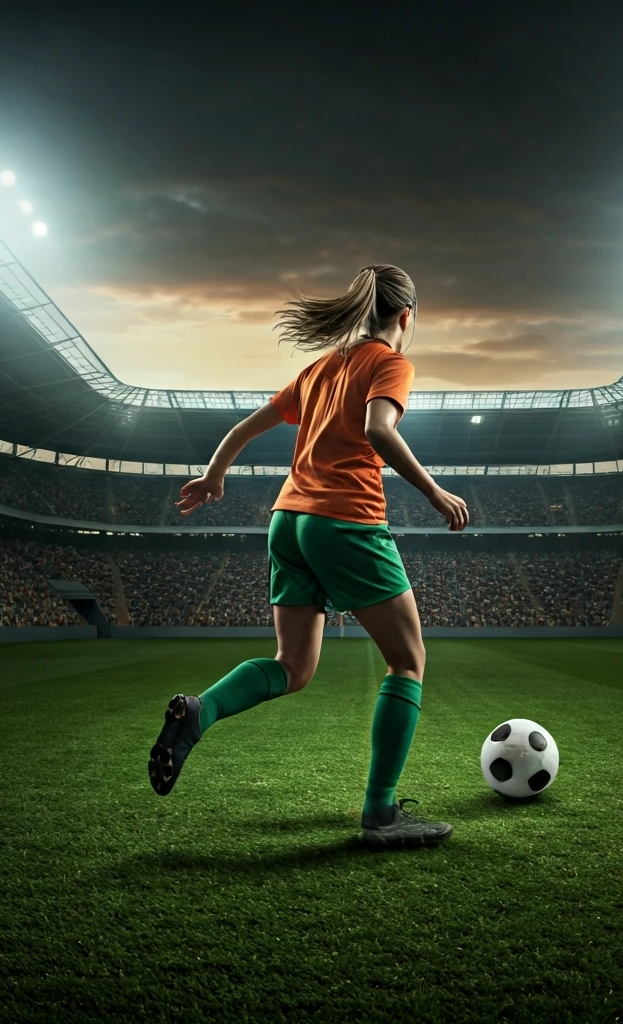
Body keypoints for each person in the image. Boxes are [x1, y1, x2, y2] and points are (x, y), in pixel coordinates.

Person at [148, 264, 469, 848]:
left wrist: (214, 475)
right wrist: (434, 490)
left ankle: (201, 711)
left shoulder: (320, 368)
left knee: (292, 667)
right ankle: (381, 815)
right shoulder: (391, 362)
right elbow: (378, 429)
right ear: (406, 317)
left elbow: (246, 427)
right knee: (407, 661)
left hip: (286, 522)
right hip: (345, 519)